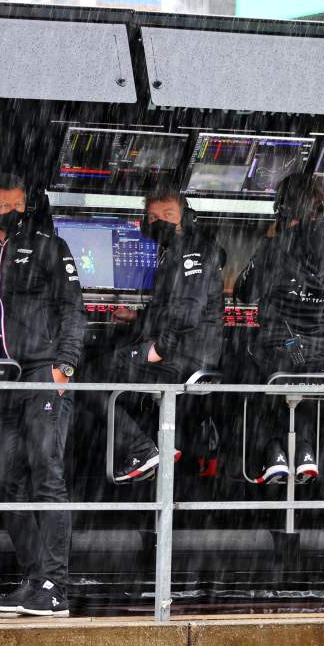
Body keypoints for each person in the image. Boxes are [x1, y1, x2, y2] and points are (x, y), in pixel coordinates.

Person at [0, 173, 86, 617]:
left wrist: (64, 367)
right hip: (4, 377)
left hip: (44, 375)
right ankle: (36, 578)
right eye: (3, 208)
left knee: (46, 475)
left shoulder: (50, 246)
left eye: (18, 206)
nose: (11, 215)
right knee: (5, 482)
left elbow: (75, 309)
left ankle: (56, 585)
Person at [234, 172, 324, 484]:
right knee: (298, 376)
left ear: (284, 210)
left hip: (287, 351)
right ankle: (304, 451)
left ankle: (272, 450)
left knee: (247, 367)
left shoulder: (278, 247)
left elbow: (245, 291)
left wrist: (268, 240)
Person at [110, 187, 226, 483]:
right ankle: (159, 447)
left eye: (167, 215)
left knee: (92, 376)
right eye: (153, 216)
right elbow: (173, 309)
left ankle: (142, 449)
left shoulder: (191, 251)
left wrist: (159, 349)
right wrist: (139, 317)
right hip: (192, 356)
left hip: (181, 360)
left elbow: (187, 315)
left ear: (185, 217)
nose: (158, 221)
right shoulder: (179, 250)